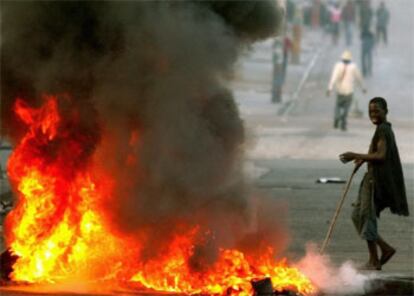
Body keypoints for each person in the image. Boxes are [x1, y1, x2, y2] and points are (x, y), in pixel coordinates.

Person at [340, 97, 409, 270]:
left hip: (376, 182)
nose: (373, 114)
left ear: (386, 111)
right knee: (358, 216)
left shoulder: (384, 130)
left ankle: (374, 260)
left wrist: (355, 155)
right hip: (370, 178)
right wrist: (363, 160)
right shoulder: (381, 129)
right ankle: (385, 249)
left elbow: (381, 156)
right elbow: (377, 153)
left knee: (367, 217)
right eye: (371, 111)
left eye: (377, 111)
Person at [327, 50, 366, 131]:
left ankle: (337, 117)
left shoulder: (338, 66)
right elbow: (359, 78)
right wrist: (363, 88)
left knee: (338, 105)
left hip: (340, 90)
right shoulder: (353, 67)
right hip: (349, 91)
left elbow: (333, 77)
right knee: (346, 107)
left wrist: (330, 88)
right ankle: (343, 122)